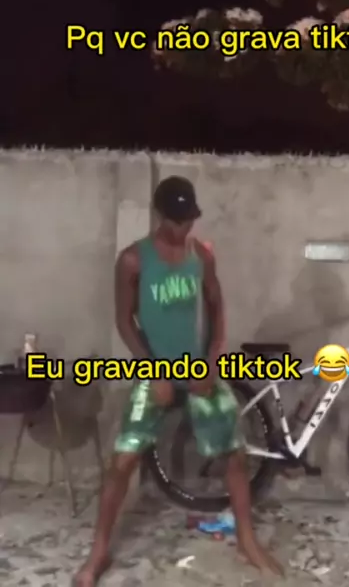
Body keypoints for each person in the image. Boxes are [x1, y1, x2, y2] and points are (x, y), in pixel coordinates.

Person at [74, 176, 283, 586]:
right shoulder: (133, 260)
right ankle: (98, 553)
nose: (182, 227)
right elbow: (124, 321)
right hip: (154, 370)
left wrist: (211, 362)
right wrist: (153, 372)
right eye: (175, 220)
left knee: (236, 455)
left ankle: (246, 540)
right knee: (122, 462)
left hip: (197, 369)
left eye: (188, 220)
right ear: (159, 215)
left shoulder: (201, 255)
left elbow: (217, 309)